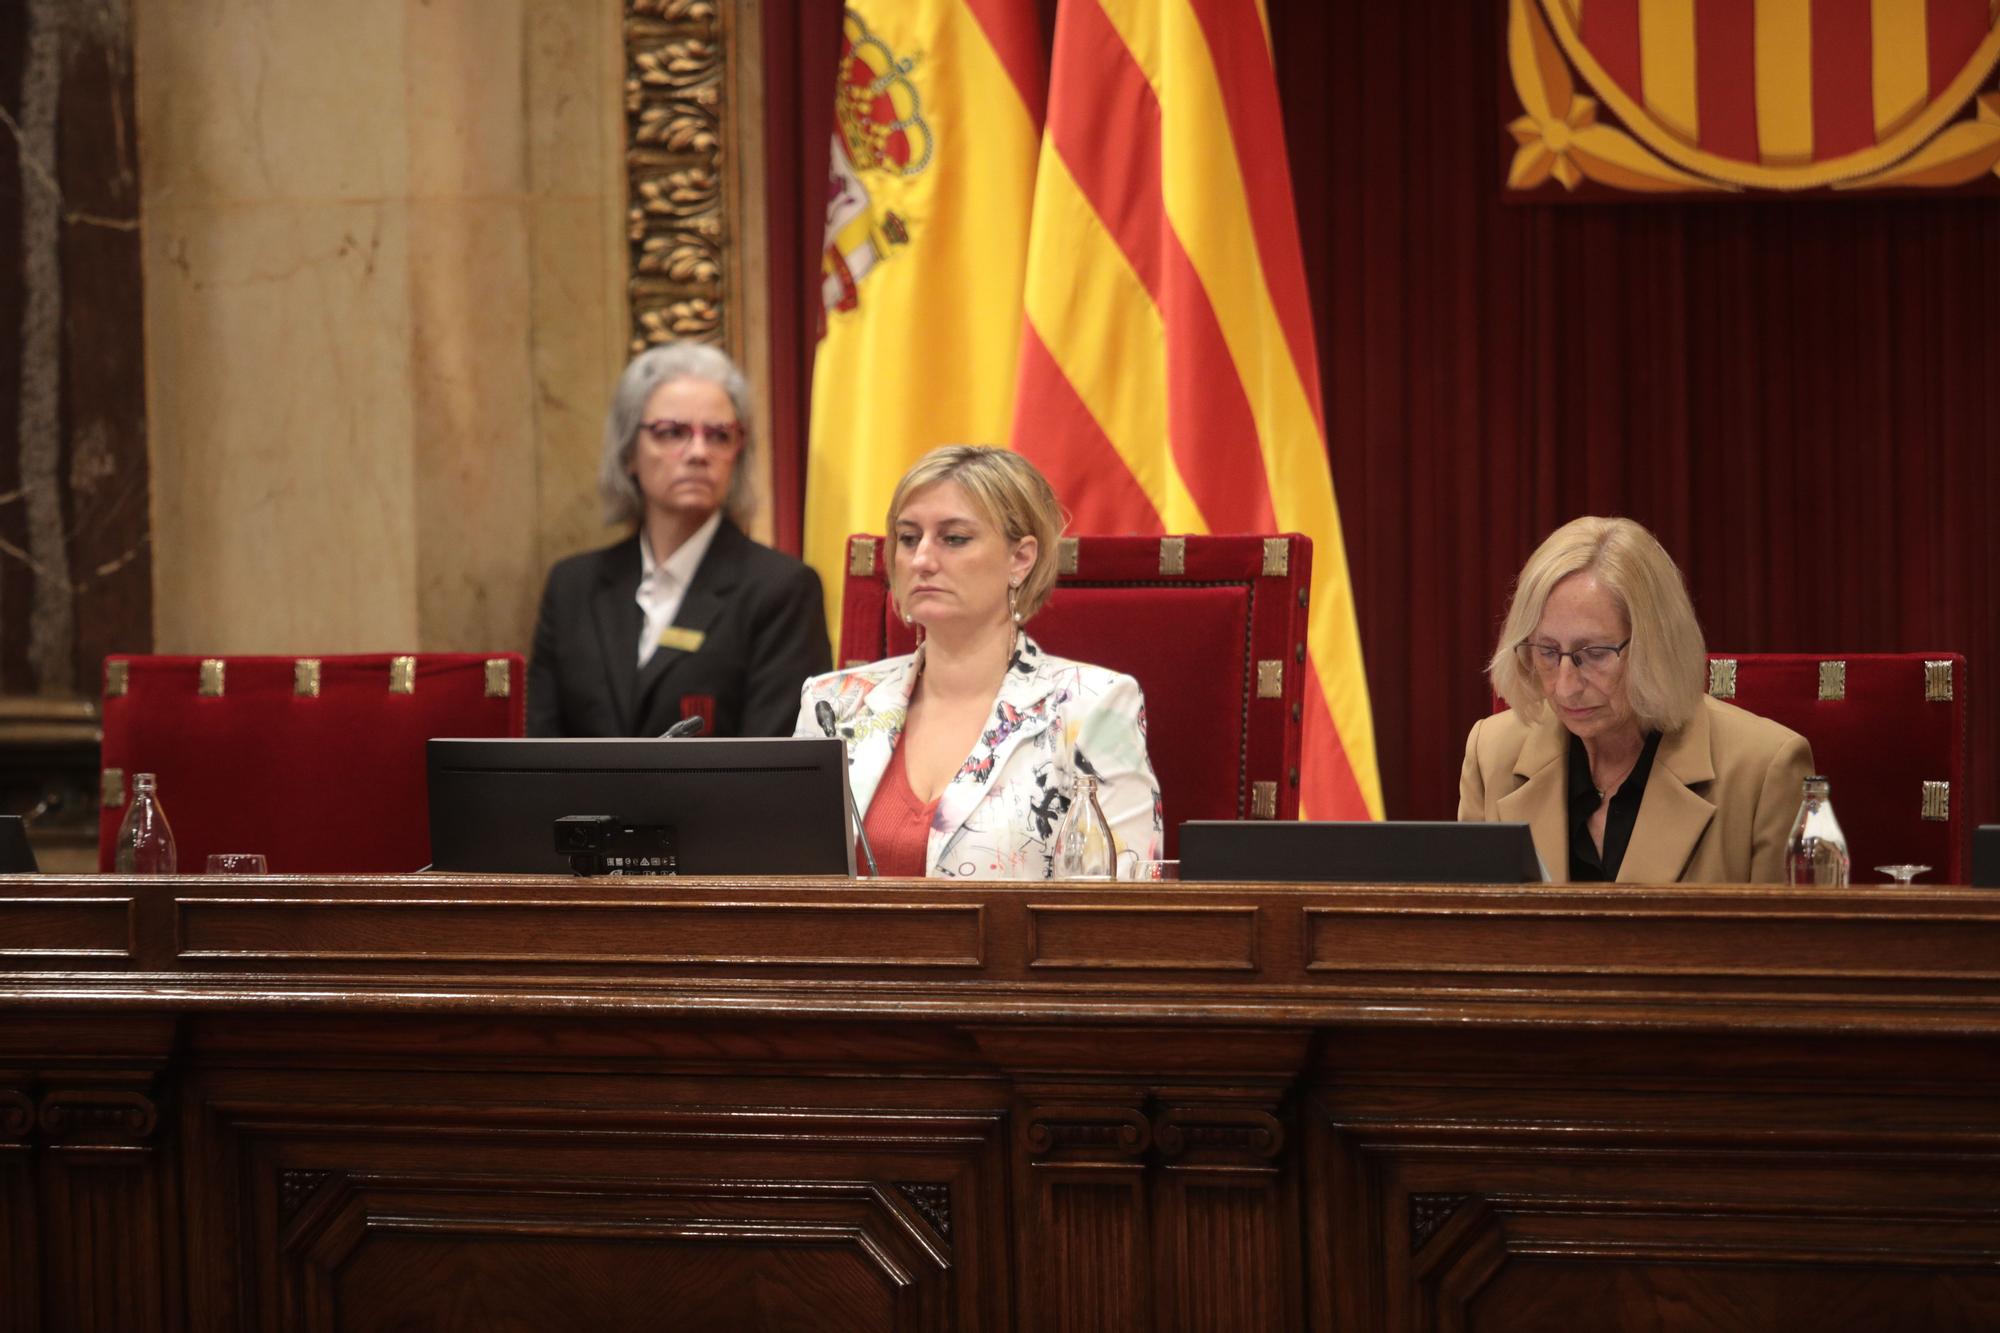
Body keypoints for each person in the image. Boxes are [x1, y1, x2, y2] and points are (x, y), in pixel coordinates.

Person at [795, 446, 1162, 879]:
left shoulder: (1091, 705)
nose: (923, 560)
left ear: (1020, 559)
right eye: (909, 538)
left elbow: (1120, 906)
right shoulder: (833, 704)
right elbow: (791, 882)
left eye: (954, 539)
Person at [1459, 516, 1813, 883]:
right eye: (1547, 651)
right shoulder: (1491, 754)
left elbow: (1782, 941)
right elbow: (1468, 937)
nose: (1565, 688)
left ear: (1657, 646)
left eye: (1594, 653)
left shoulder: (1765, 771)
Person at [528, 342, 829, 738]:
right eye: (672, 433)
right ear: (629, 451)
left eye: (719, 435)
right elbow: (537, 751)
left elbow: (775, 768)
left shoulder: (782, 590)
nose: (699, 452)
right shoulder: (573, 587)